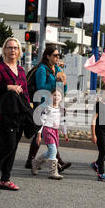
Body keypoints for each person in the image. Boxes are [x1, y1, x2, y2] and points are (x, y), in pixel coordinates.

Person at [0, 37, 29, 191]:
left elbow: (26, 92)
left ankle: (5, 179)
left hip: (19, 113)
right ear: (4, 50)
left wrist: (29, 108)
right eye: (9, 48)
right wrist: (8, 87)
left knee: (14, 147)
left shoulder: (21, 70)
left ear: (19, 51)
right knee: (7, 145)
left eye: (15, 48)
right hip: (3, 113)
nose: (13, 50)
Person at [25, 45, 71, 173]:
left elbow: (60, 90)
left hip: (54, 105)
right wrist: (55, 81)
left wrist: (64, 84)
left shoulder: (57, 69)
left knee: (48, 132)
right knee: (41, 132)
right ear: (48, 56)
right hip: (42, 104)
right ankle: (56, 162)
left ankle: (32, 161)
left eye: (59, 55)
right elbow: (41, 87)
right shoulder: (42, 70)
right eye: (55, 55)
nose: (57, 58)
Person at [31, 88, 69, 180]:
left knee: (51, 151)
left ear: (61, 98)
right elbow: (42, 121)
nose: (56, 97)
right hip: (47, 130)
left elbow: (63, 122)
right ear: (51, 96)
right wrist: (39, 134)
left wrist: (65, 133)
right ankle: (53, 172)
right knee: (53, 150)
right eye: (54, 95)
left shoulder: (61, 110)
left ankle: (36, 162)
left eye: (59, 95)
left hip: (55, 131)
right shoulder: (47, 107)